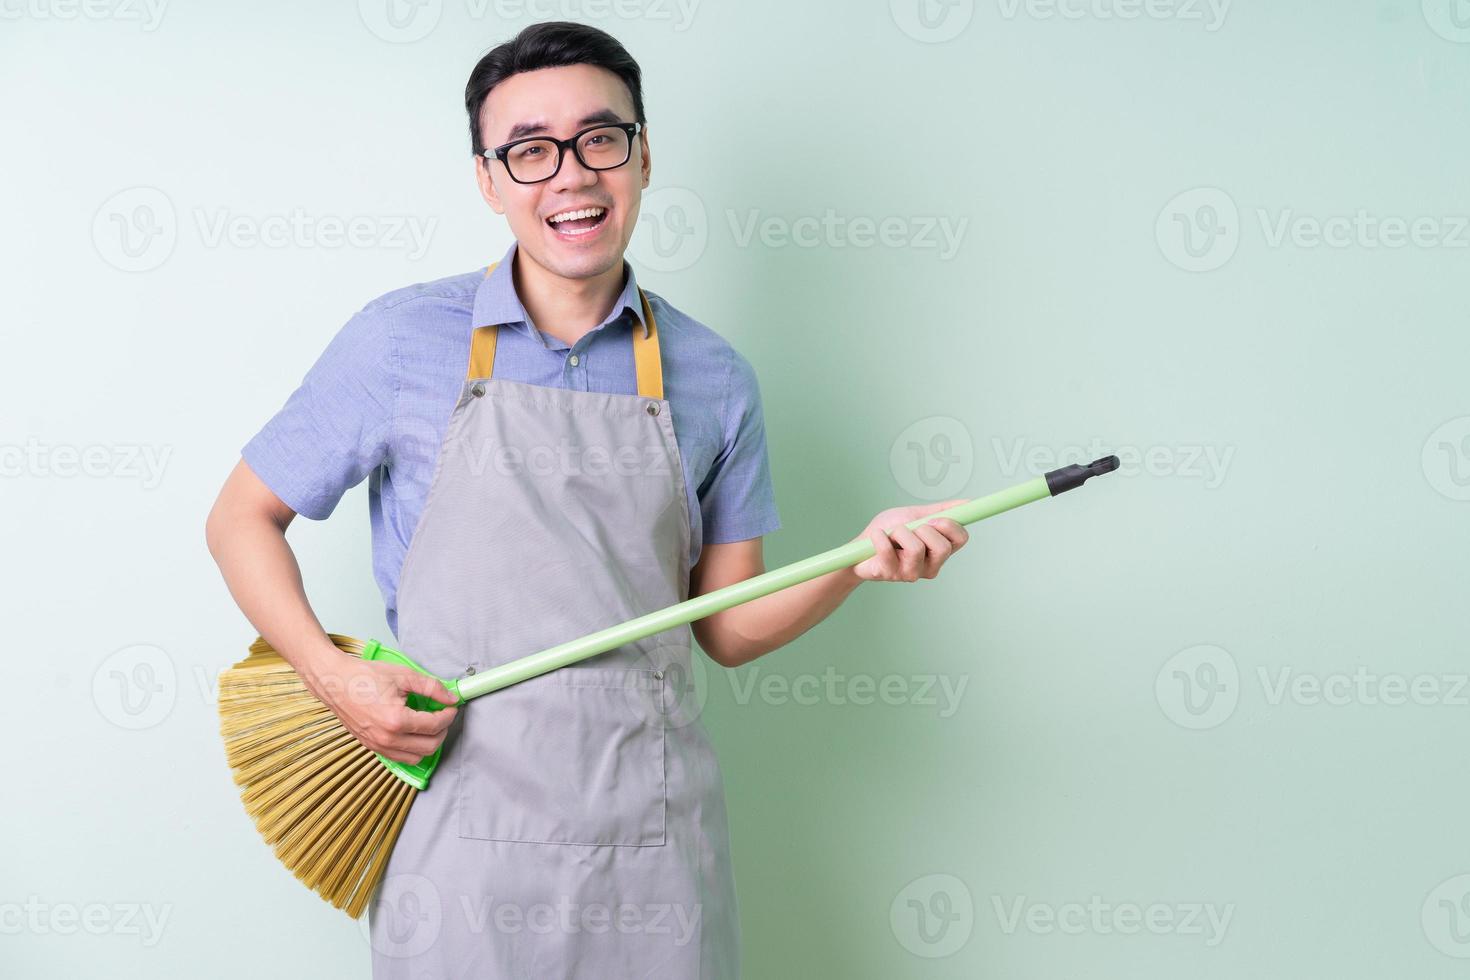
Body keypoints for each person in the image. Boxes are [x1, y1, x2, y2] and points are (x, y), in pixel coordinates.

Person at [204, 20, 969, 978]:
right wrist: (331, 675)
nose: (570, 174)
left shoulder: (712, 376)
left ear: (643, 156)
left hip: (650, 847)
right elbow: (241, 518)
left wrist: (857, 563)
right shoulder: (401, 342)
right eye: (529, 151)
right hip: (456, 842)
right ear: (489, 180)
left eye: (599, 139)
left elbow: (727, 626)